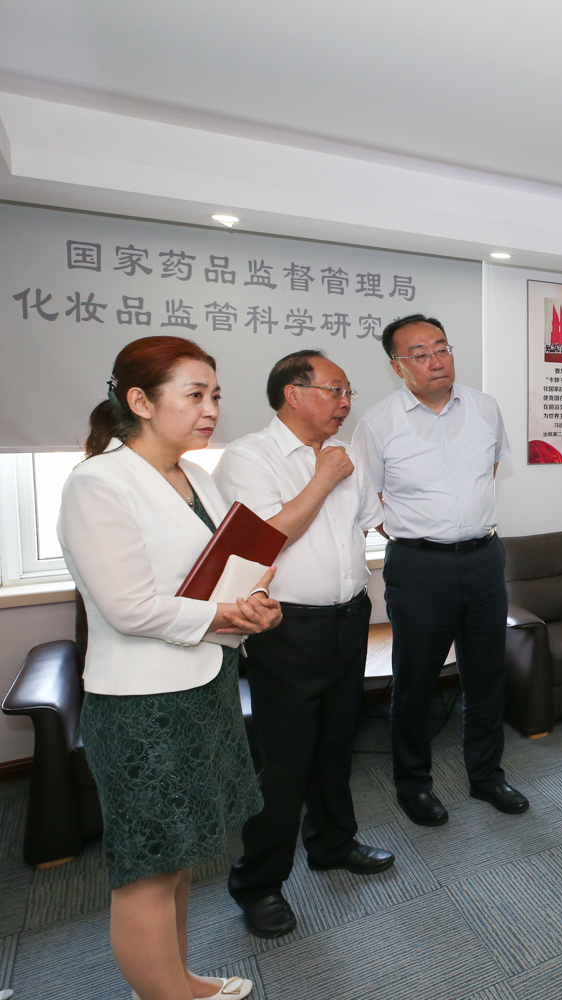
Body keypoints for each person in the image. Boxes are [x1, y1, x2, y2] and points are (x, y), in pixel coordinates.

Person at [58, 336, 280, 1000]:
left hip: (203, 687)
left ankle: (177, 981)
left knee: (179, 856)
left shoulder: (196, 477)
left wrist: (254, 606)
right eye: (195, 395)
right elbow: (128, 607)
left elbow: (223, 573)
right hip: (142, 707)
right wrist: (225, 616)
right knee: (147, 870)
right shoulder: (98, 483)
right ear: (140, 401)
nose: (211, 409)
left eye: (216, 395)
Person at [214, 350, 391, 939]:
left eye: (348, 392)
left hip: (349, 617)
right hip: (285, 628)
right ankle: (259, 884)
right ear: (293, 393)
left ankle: (333, 844)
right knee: (286, 763)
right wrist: (323, 479)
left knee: (338, 743)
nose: (345, 402)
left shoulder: (343, 455)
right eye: (334, 390)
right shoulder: (249, 457)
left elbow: (365, 522)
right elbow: (265, 539)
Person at [353, 315, 526, 827]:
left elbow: (489, 471)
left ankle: (487, 776)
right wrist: (421, 532)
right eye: (420, 353)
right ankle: (414, 785)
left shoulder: (485, 408)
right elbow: (369, 500)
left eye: (442, 348)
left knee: (486, 674)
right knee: (416, 680)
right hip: (418, 566)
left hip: (484, 557)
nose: (436, 361)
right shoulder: (377, 424)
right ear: (398, 366)